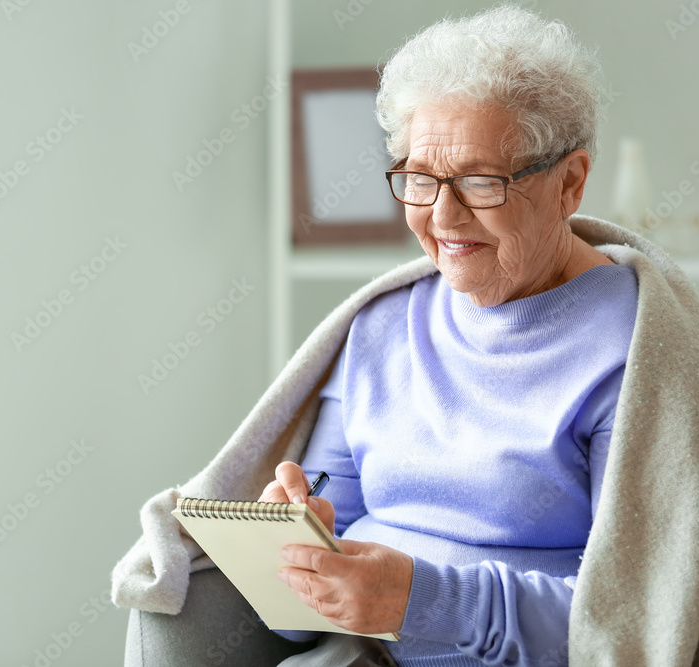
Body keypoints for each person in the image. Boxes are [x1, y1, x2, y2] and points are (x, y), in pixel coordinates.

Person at [258, 5, 635, 664]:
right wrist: (287, 549)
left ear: (570, 181)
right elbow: (297, 618)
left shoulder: (633, 352)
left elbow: (632, 622)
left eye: (482, 182)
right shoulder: (379, 327)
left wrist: (419, 601)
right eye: (419, 180)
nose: (443, 216)